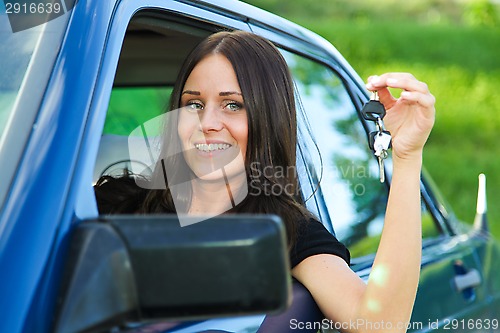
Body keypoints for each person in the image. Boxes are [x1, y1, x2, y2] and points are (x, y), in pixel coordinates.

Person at [95, 30, 435, 332]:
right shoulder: (112, 201)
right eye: (194, 104)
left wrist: (406, 158)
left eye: (232, 105)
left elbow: (377, 326)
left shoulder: (288, 232)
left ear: (266, 119)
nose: (208, 122)